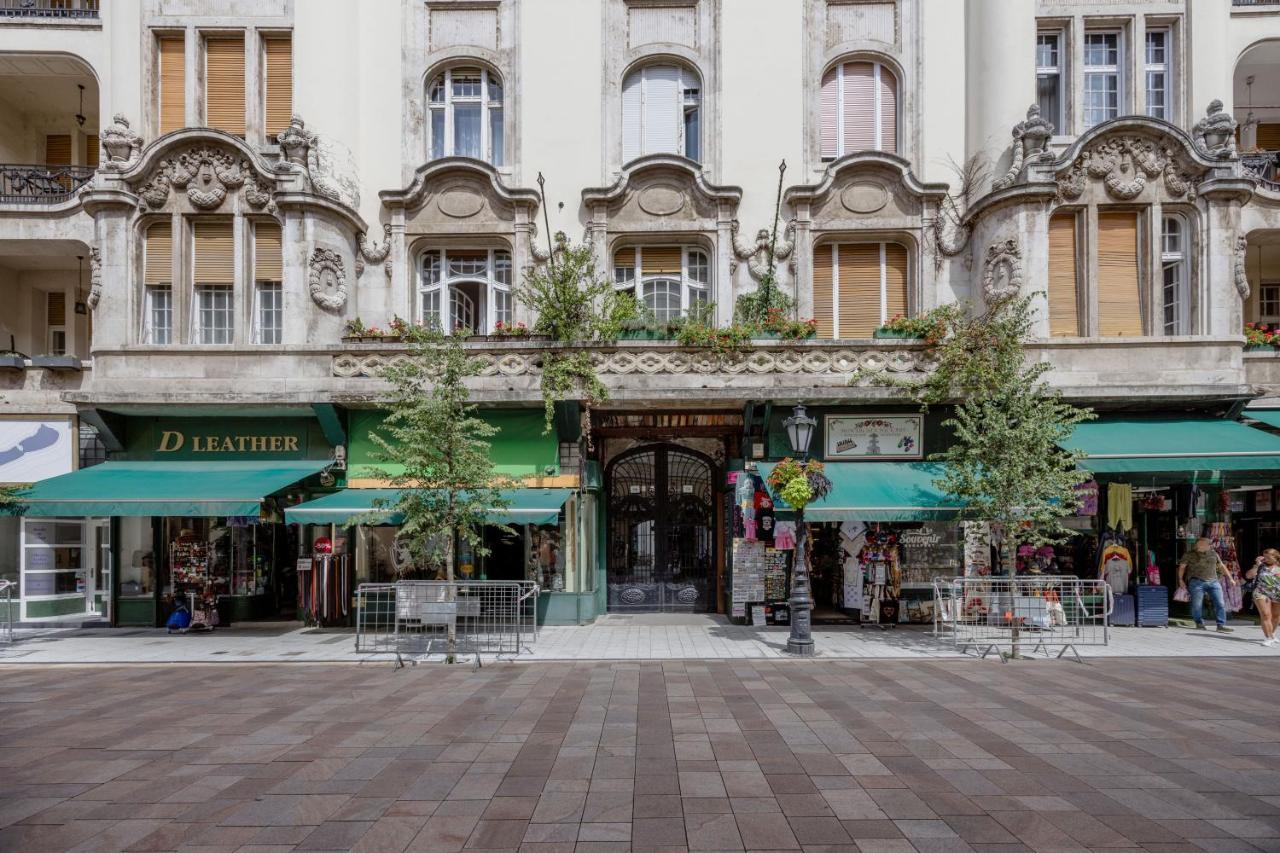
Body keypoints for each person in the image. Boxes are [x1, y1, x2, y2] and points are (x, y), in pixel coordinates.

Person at [1176, 538, 1236, 632]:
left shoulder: (1214, 553)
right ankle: (1199, 623)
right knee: (1197, 605)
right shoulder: (1189, 554)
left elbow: (1221, 566)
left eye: (1202, 544)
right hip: (1196, 582)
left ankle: (1221, 625)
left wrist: (1231, 578)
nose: (1199, 545)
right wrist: (1180, 579)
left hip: (1214, 581)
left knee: (1220, 603)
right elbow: (1182, 567)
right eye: (1199, 544)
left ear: (1209, 545)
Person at [1246, 548, 1280, 647]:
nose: (1266, 559)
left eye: (1268, 557)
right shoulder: (1260, 566)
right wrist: (1257, 565)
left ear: (1276, 557)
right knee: (1265, 614)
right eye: (1264, 557)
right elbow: (1248, 576)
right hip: (1261, 592)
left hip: (1277, 593)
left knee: (1276, 616)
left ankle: (1272, 634)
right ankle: (1268, 637)